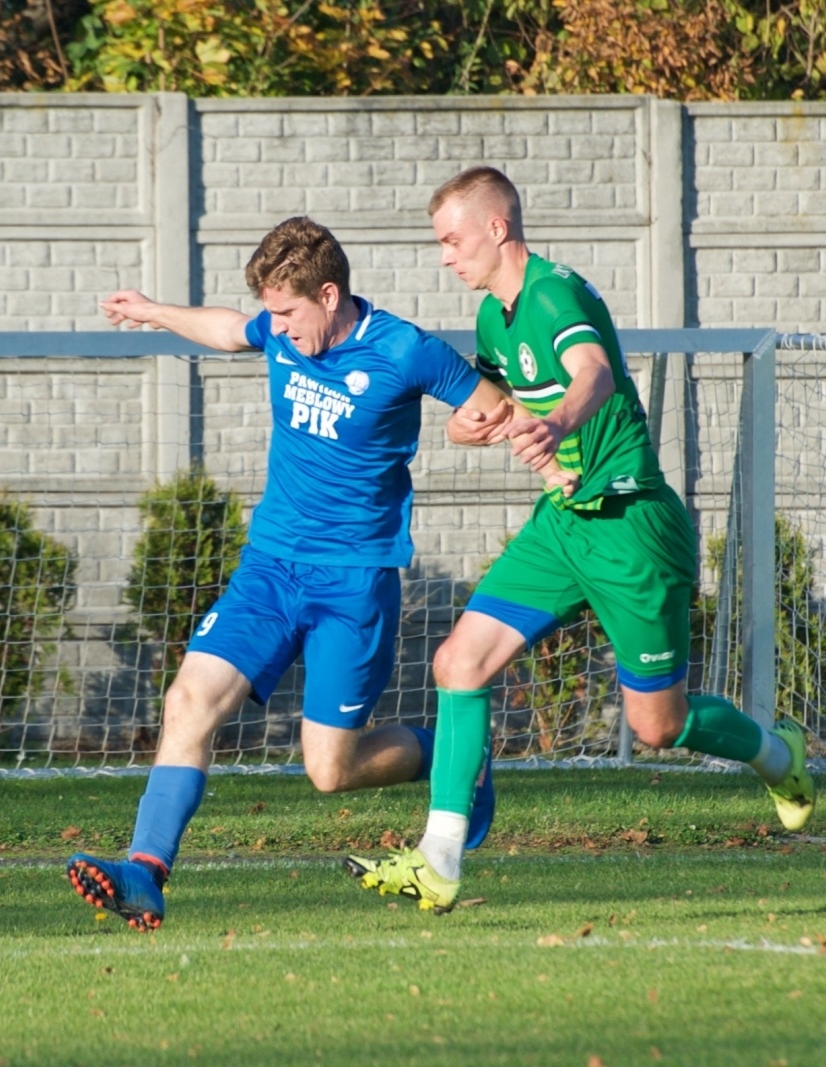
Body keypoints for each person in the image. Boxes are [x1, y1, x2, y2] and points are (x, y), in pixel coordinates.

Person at [66, 216, 572, 932]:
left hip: (354, 584)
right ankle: (145, 873)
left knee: (329, 770)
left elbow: (492, 408)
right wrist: (152, 311)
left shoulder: (404, 349)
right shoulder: (278, 330)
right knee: (189, 701)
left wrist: (558, 474)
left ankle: (458, 760)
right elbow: (227, 329)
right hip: (268, 570)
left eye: (286, 312)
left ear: (328, 294)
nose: (275, 327)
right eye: (270, 311)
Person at [345, 167, 815, 913]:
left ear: (496, 228)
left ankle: (775, 751)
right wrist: (469, 425)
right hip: (563, 525)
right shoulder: (496, 319)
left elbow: (591, 372)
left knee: (656, 724)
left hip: (631, 528)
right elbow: (498, 403)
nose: (445, 256)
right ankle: (439, 857)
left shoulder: (556, 293)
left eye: (452, 239)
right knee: (458, 662)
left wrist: (560, 422)